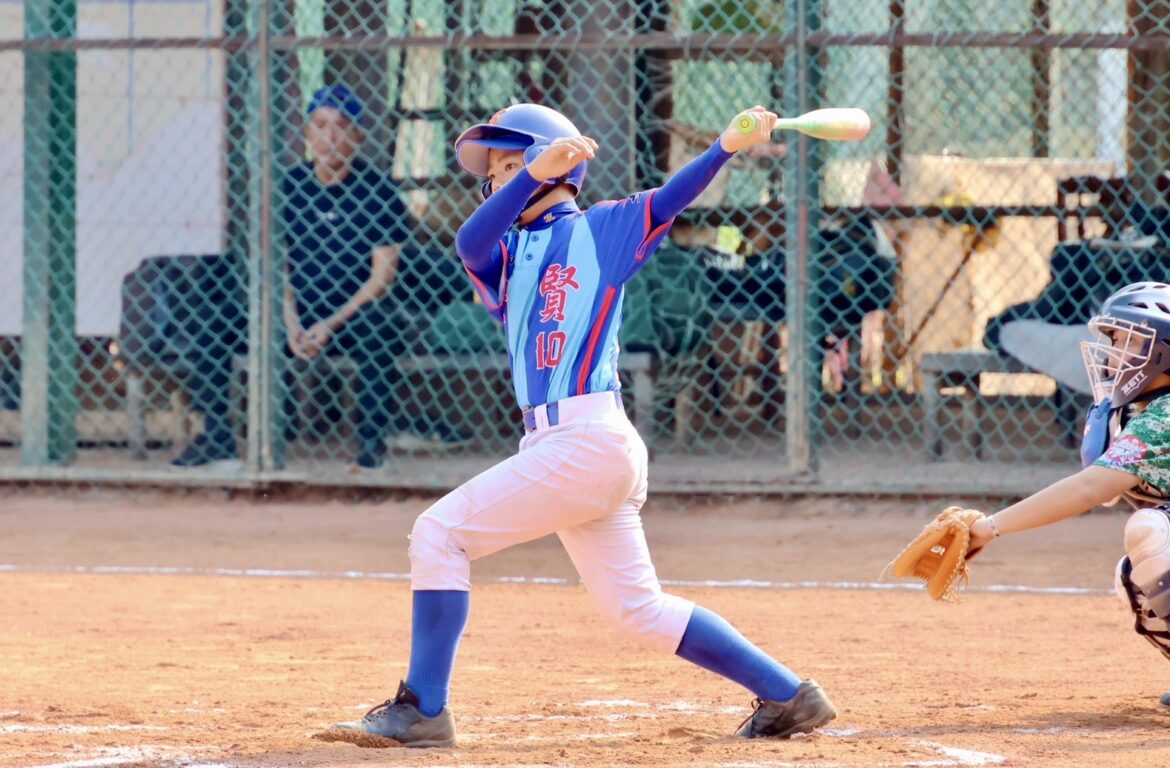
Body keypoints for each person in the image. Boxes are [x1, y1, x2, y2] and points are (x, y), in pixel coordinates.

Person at [323, 103, 838, 747]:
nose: (497, 180)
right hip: (570, 445)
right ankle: (789, 695)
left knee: (439, 535)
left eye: (509, 164)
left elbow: (670, 199)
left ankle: (423, 709)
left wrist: (724, 148)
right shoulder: (505, 253)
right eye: (497, 172)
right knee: (639, 611)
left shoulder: (603, 228)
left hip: (588, 436)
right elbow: (468, 242)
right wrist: (529, 175)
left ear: (557, 165)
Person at [171, 84, 465, 469]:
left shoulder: (378, 192)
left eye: (341, 126)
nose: (330, 137)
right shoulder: (288, 188)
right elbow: (276, 268)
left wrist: (329, 324)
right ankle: (217, 439)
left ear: (358, 136)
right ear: (307, 133)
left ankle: (370, 447)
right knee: (213, 321)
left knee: (381, 327)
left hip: (350, 316)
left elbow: (381, 279)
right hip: (292, 312)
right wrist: (290, 322)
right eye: (321, 125)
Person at [960, 281, 1170, 708]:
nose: (1113, 352)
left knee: (1152, 534)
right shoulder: (1144, 410)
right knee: (1134, 575)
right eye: (1113, 339)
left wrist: (988, 527)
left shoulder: (1164, 415)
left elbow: (1090, 488)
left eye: (1128, 340)